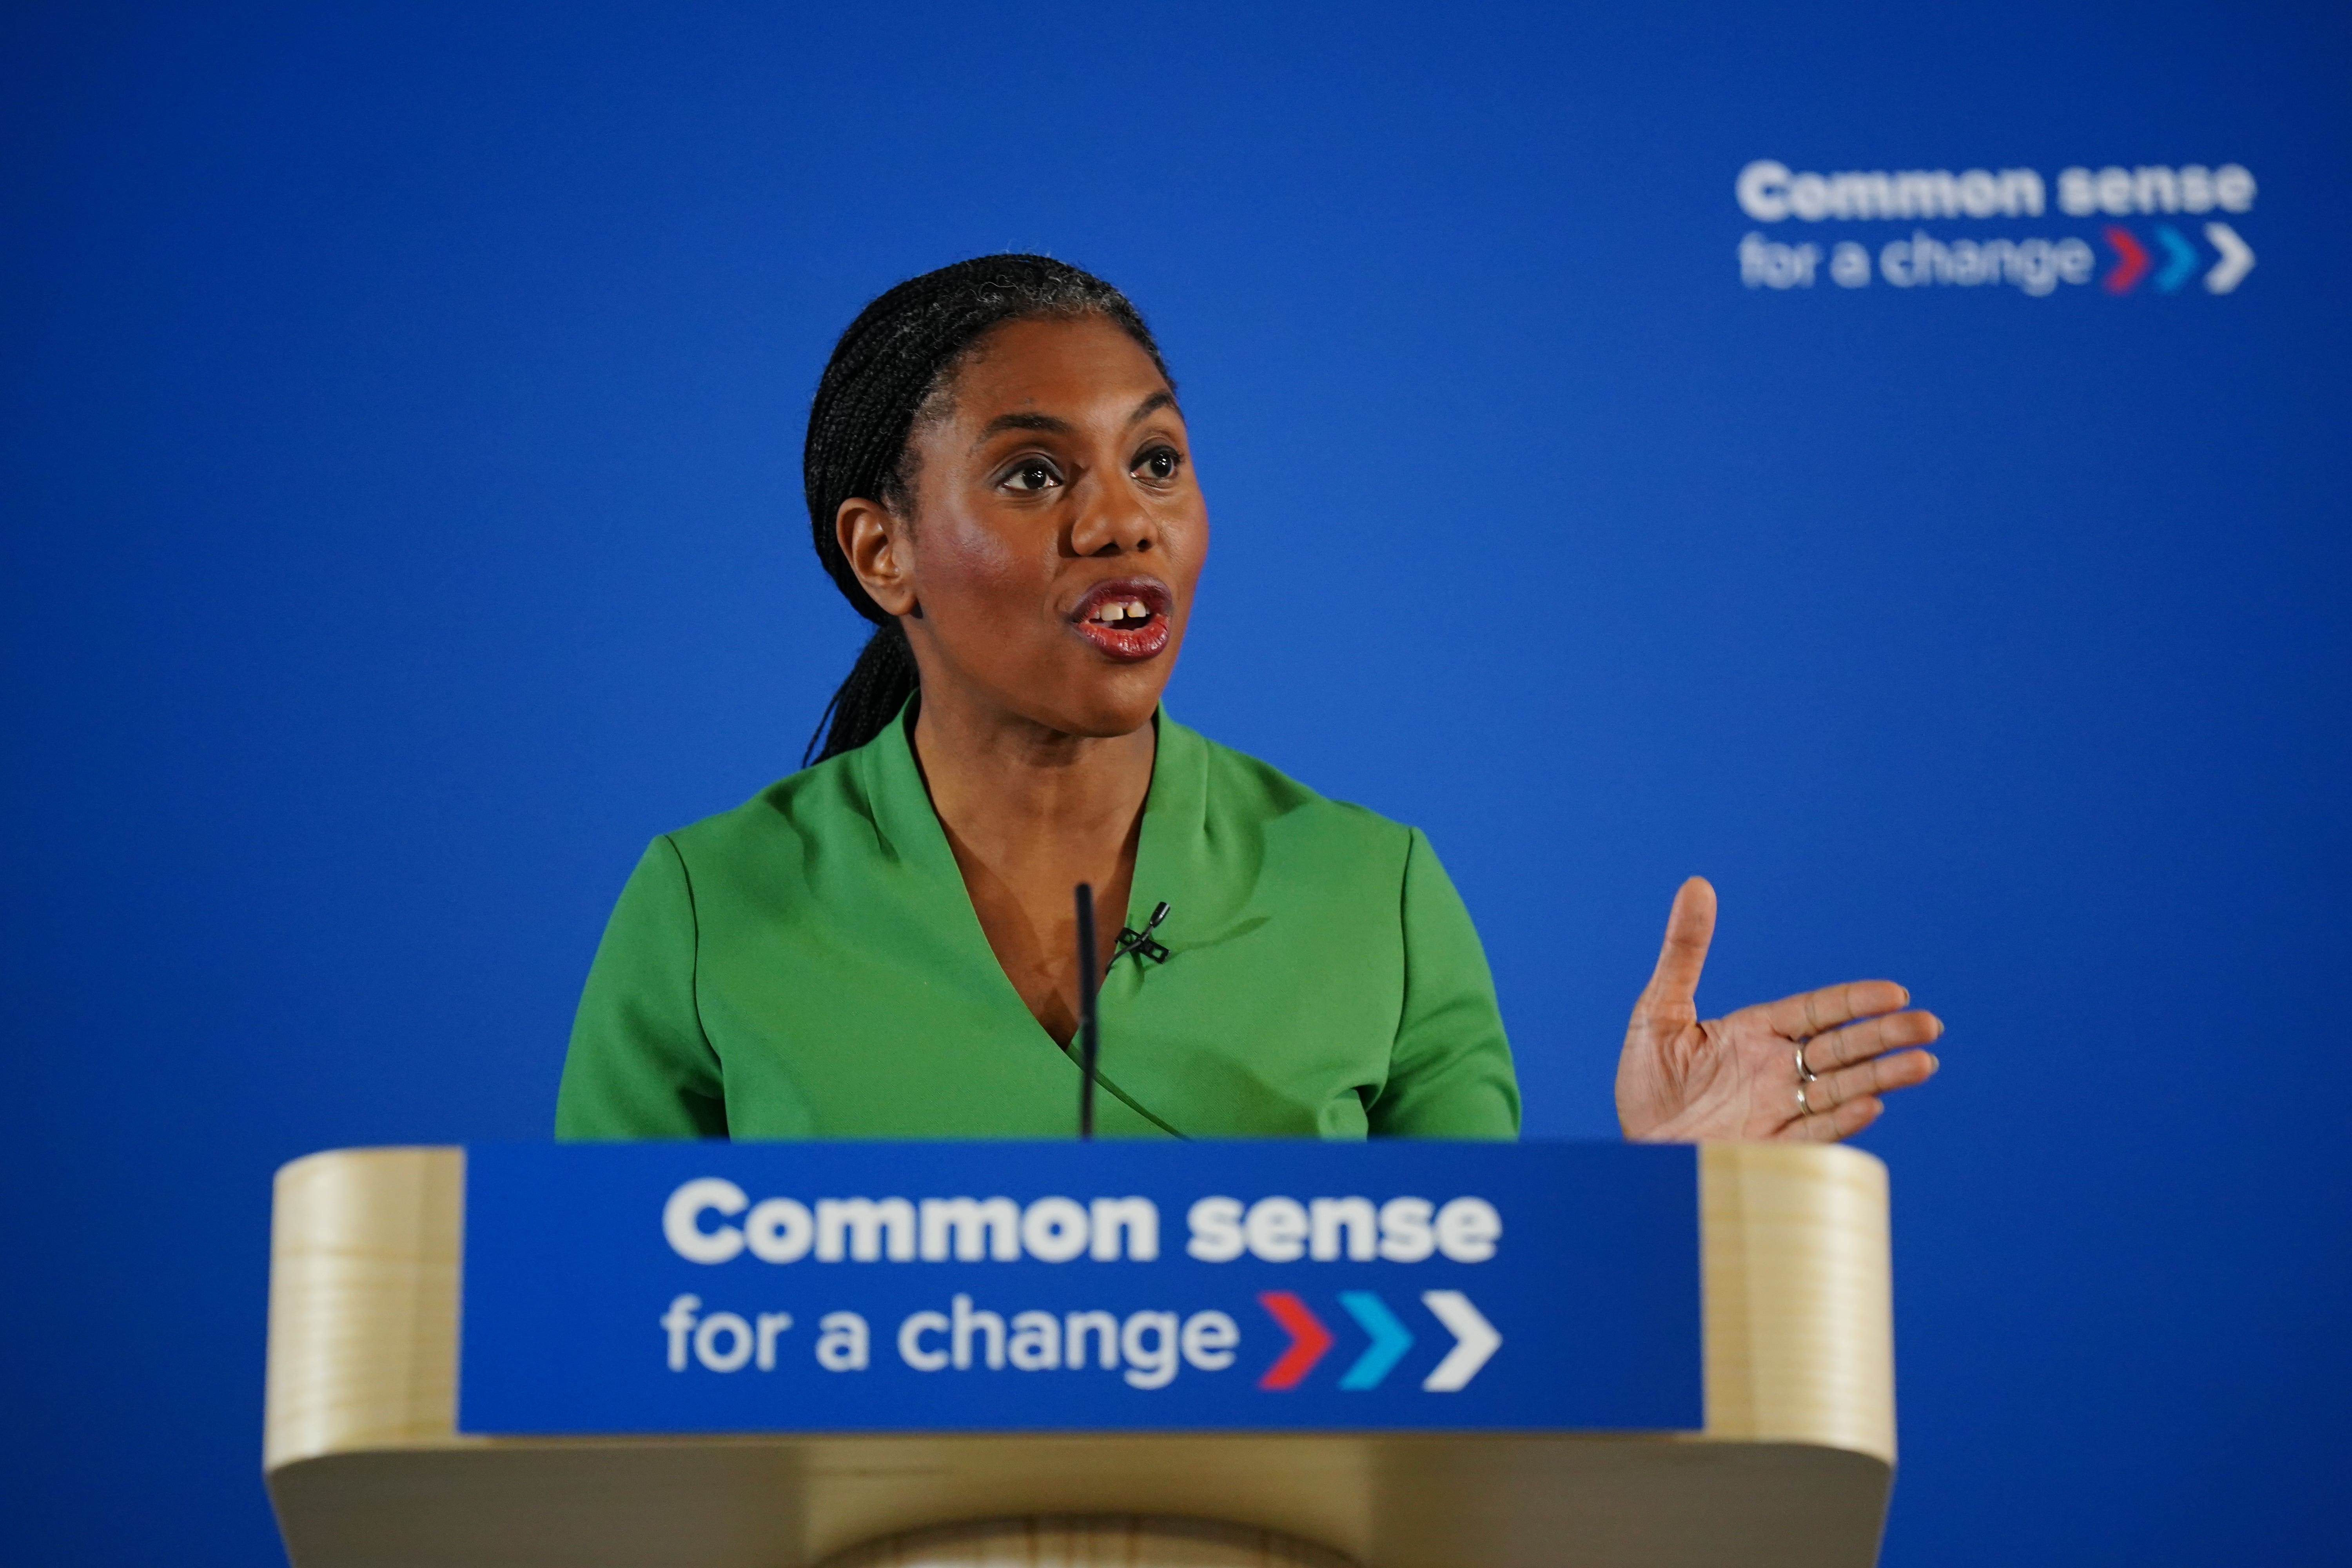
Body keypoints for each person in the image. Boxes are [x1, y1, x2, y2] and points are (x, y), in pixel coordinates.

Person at [555, 255, 1940, 1142]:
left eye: (1156, 463)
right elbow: (605, 1366)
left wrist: (1654, 1206)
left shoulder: (1375, 893)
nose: (1123, 522)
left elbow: (1490, 1370)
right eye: (1036, 475)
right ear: (883, 553)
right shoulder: (707, 906)